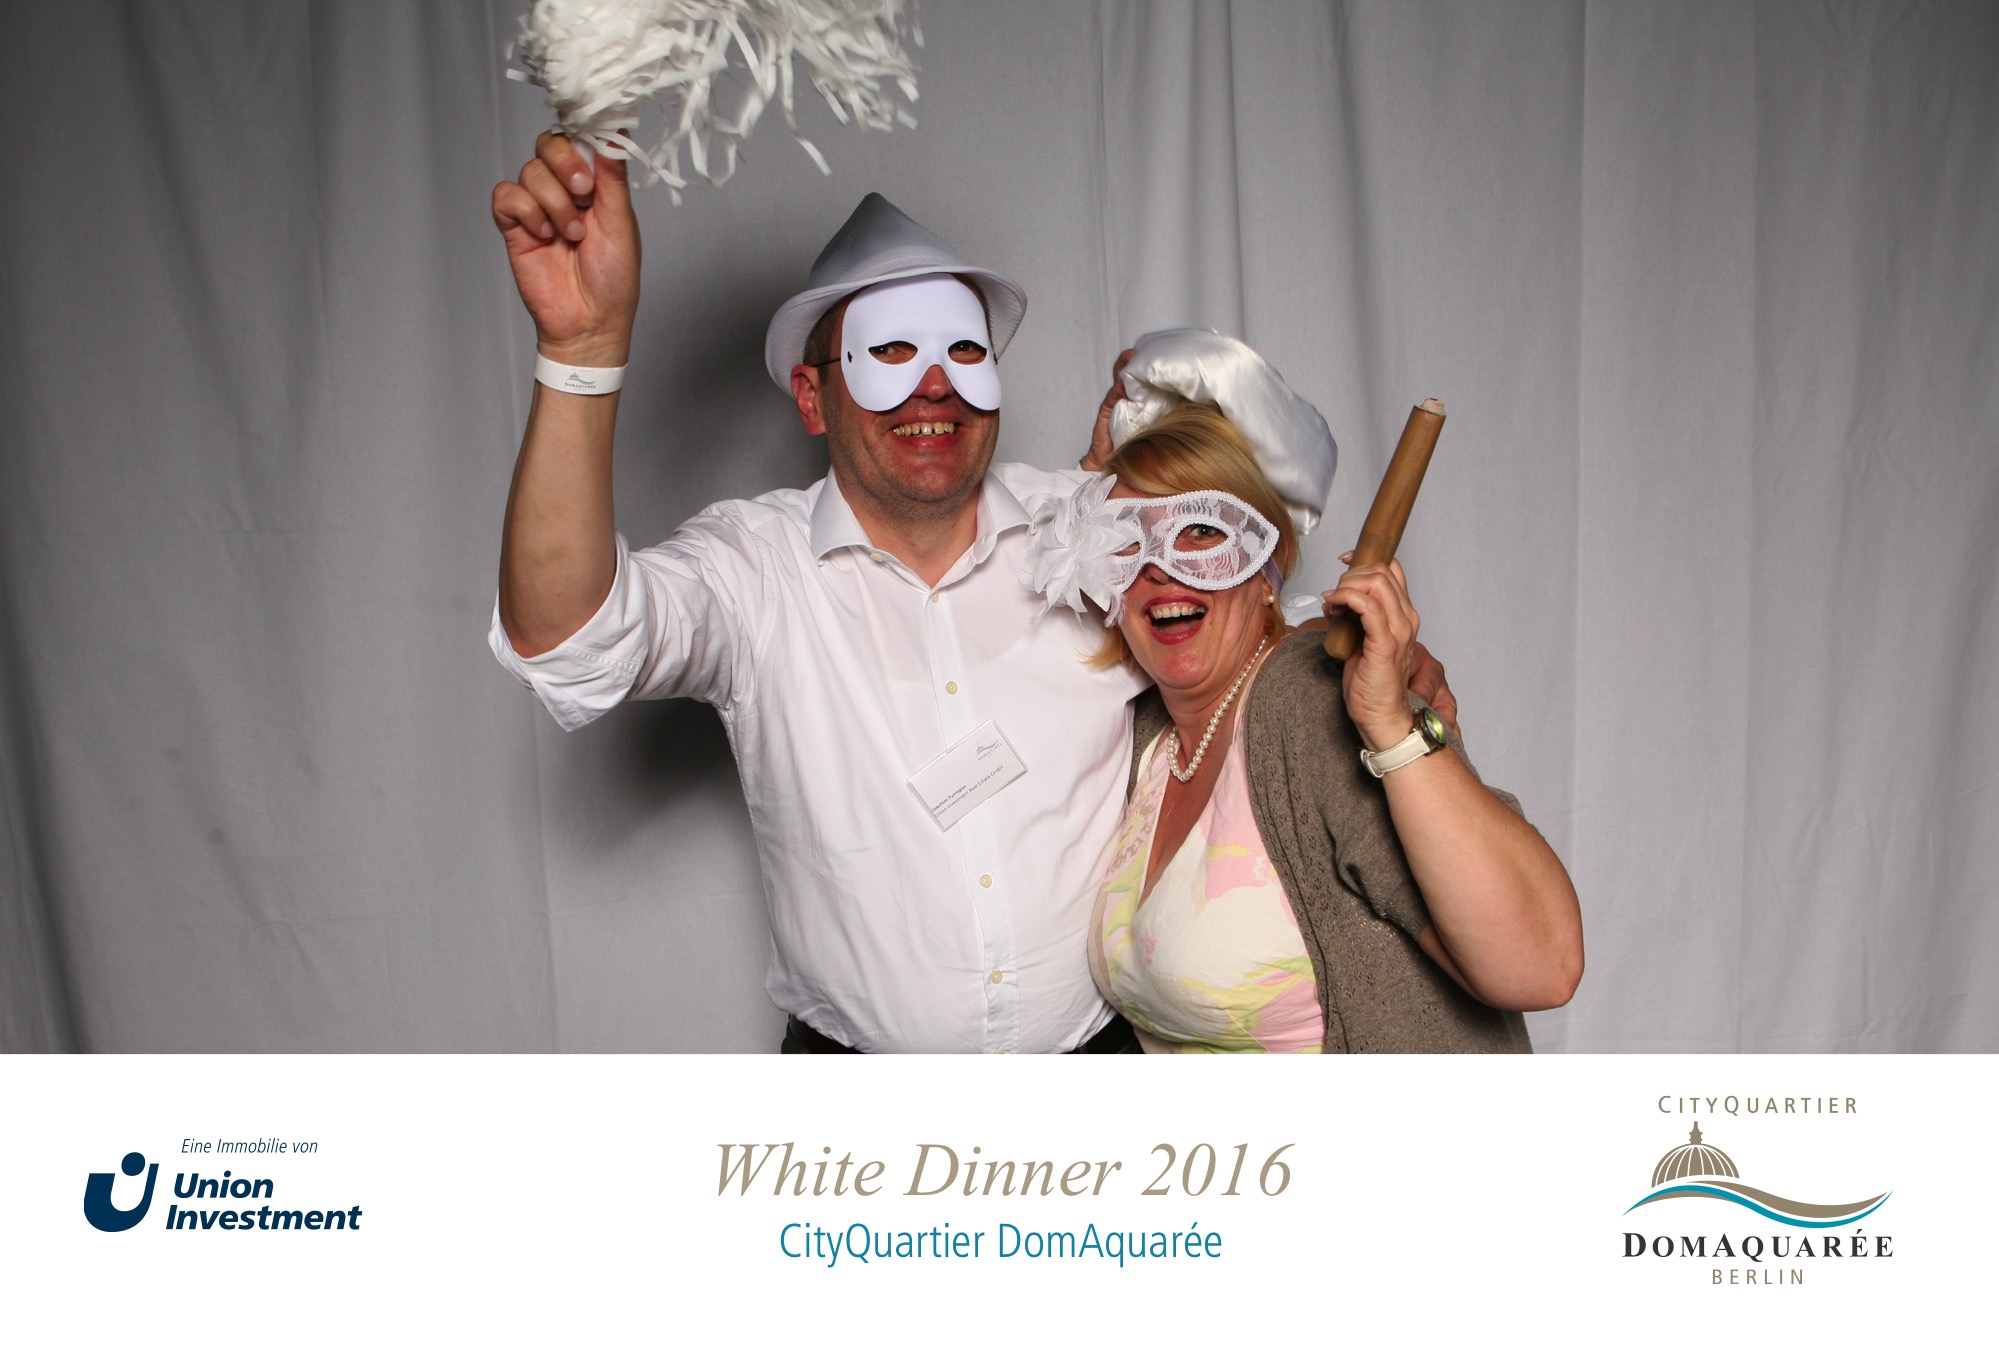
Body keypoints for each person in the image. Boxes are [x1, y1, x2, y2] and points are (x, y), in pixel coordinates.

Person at [485, 135, 1457, 1052]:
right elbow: (571, 638)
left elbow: (1236, 613)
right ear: (813, 397)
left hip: (1099, 1076)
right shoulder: (754, 570)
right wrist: (583, 348)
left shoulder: (1093, 531)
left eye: (962, 352)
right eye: (886, 354)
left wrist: (1369, 691)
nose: (932, 386)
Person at [1026, 344, 1582, 1052]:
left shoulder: (1308, 705)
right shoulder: (1149, 733)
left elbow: (1542, 967)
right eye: (1127, 541)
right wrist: (1089, 473)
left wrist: (1389, 724)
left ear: (1268, 568)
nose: (1161, 568)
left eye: (1202, 532)